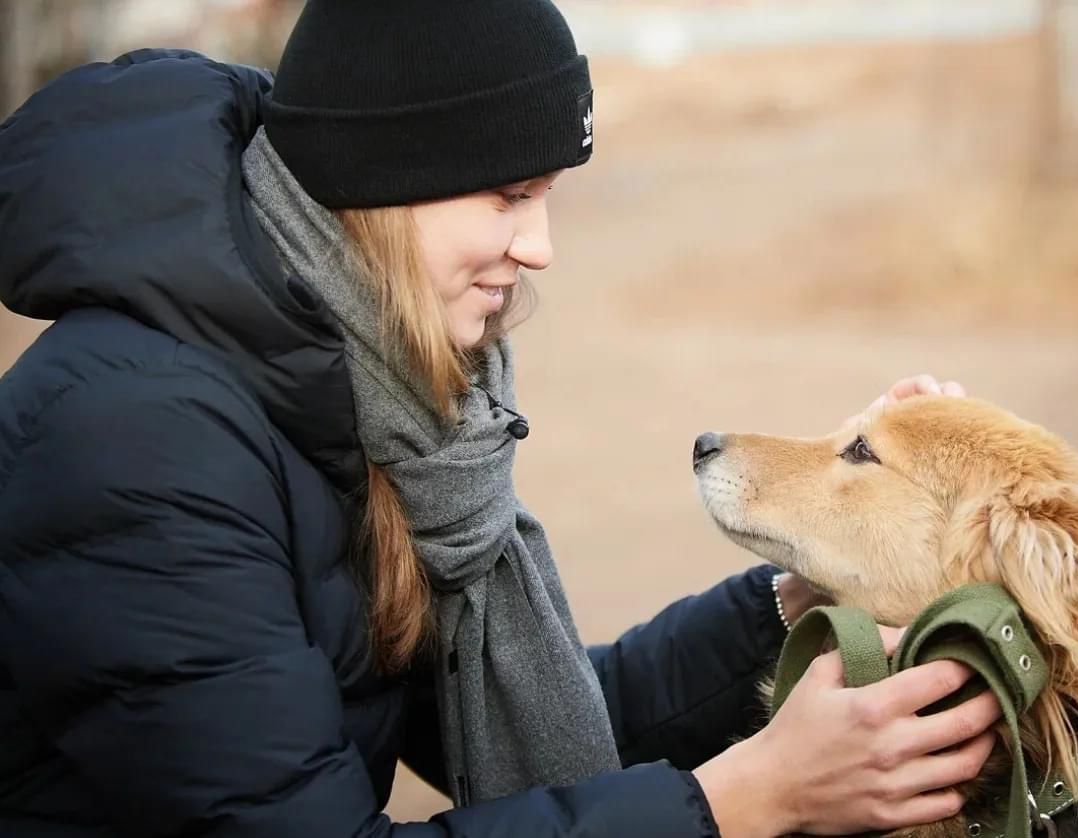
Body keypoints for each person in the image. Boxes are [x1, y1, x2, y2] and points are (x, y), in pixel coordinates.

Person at [0, 2, 1000, 836]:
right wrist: (743, 799)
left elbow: (538, 707)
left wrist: (795, 595)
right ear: (380, 183)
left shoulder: (363, 392)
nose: (540, 248)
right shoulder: (137, 441)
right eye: (510, 195)